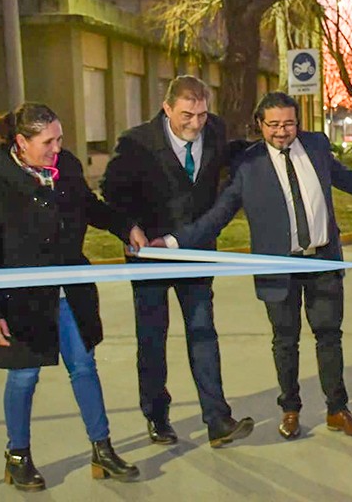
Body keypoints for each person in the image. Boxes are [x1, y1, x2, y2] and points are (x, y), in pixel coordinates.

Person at [153, 92, 352, 440]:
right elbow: (218, 216)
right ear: (260, 125)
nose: (282, 131)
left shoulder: (317, 146)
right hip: (278, 267)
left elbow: (351, 181)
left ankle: (337, 410)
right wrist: (172, 243)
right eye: (274, 124)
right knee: (285, 341)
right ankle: (290, 410)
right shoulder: (248, 165)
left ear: (299, 122)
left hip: (322, 260)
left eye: (289, 123)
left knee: (329, 337)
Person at [0, 103, 145, 491]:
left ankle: (102, 449)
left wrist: (125, 226)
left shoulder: (67, 170)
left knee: (84, 367)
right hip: (21, 304)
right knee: (24, 376)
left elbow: (90, 208)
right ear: (21, 143)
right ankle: (18, 457)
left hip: (70, 296)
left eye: (60, 138)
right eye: (47, 141)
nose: (57, 148)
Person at [100, 75, 254, 448]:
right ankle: (157, 416)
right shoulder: (136, 143)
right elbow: (111, 191)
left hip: (196, 253)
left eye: (202, 114)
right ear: (167, 108)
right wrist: (129, 228)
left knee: (203, 334)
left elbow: (230, 155)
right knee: (152, 340)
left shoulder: (215, 130)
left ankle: (217, 420)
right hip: (150, 257)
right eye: (187, 115)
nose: (196, 123)